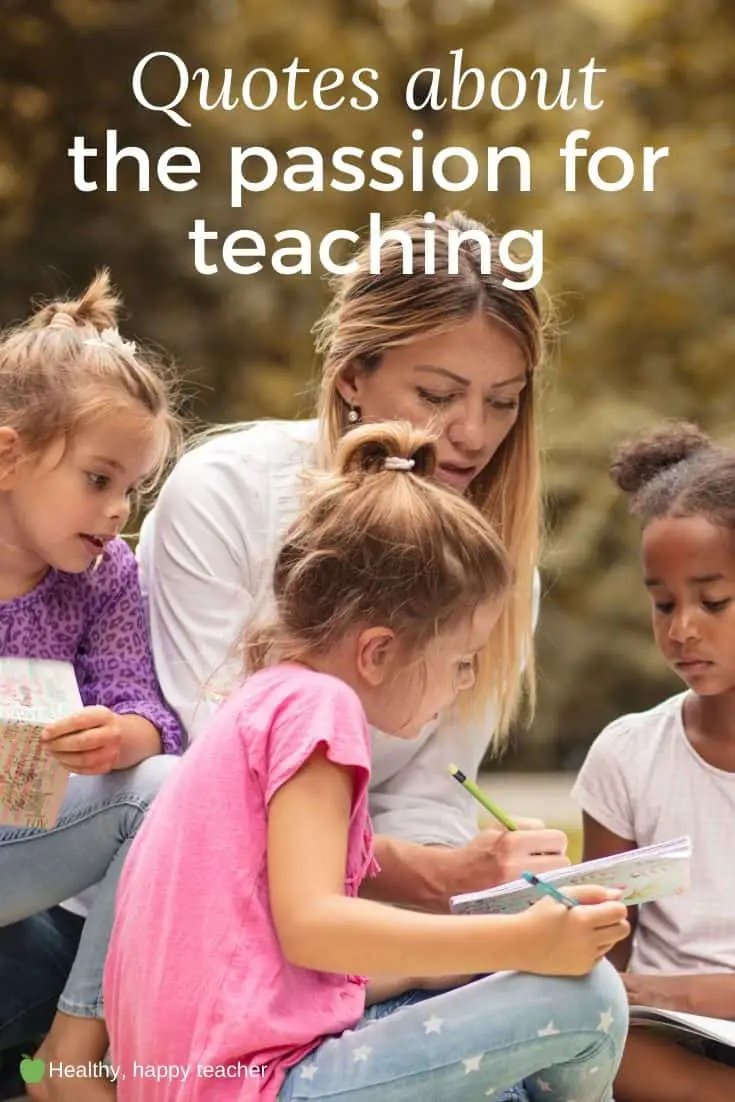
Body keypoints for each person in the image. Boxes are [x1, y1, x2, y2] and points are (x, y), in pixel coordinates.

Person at [105, 421, 630, 1102]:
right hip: (255, 1086)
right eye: (460, 661)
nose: (463, 683)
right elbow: (316, 931)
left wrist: (475, 953)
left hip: (213, 1076)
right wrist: (521, 943)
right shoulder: (319, 710)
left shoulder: (268, 702)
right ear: (379, 653)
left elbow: (288, 972)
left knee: (490, 997)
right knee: (585, 997)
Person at [137, 210, 570, 917]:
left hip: (349, 917)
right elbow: (213, 780)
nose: (471, 433)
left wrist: (460, 880)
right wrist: (433, 878)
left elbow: (429, 797)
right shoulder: (225, 493)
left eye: (503, 403)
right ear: (348, 378)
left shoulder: (497, 571)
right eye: (436, 395)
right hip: (177, 906)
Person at [0, 273, 183, 1102]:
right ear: (9, 454)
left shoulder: (107, 576)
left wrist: (125, 737)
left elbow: (149, 711)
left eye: (133, 488)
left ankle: (69, 1054)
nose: (117, 511)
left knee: (165, 787)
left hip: (23, 845)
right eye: (99, 479)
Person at [572, 422, 735, 1102]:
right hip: (668, 1046)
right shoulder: (627, 754)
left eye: (713, 601)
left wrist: (661, 987)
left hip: (680, 1009)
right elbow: (602, 959)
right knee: (585, 1039)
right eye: (662, 603)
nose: (681, 628)